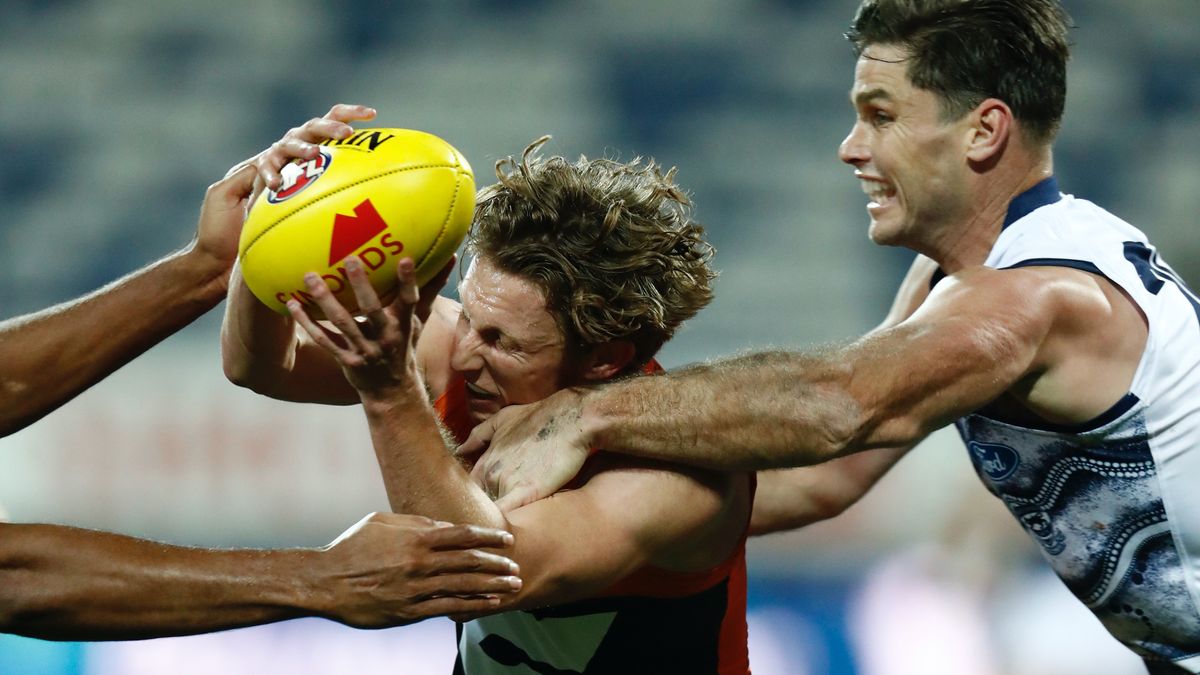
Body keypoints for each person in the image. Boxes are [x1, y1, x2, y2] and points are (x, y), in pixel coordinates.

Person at [459, 1, 1200, 672]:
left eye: (881, 116)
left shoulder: (1041, 294)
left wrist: (586, 414)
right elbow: (829, 472)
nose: (850, 147)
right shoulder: (964, 278)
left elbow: (841, 404)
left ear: (983, 131)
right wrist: (616, 511)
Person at [224, 134, 770, 674]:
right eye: (466, 315)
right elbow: (263, 364)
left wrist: (391, 396)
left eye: (501, 340)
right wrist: (274, 221)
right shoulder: (458, 359)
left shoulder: (673, 477)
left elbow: (468, 578)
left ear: (605, 358)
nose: (461, 355)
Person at [0, 109, 521, 640]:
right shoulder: (448, 349)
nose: (471, 352)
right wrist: (322, 578)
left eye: (506, 340)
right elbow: (11, 580)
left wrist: (215, 262)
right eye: (481, 325)